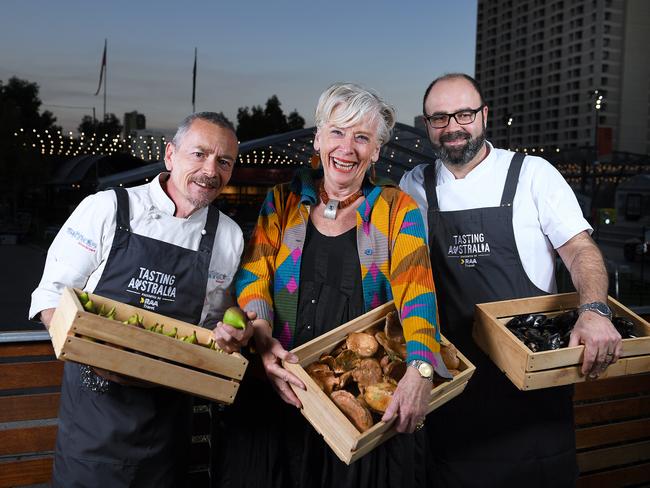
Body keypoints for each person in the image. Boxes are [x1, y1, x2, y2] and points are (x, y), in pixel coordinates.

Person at [212, 82, 450, 488]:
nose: (347, 147)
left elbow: (417, 292)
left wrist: (421, 367)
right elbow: (255, 276)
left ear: (376, 151)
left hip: (355, 405)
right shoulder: (283, 201)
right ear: (319, 138)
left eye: (362, 137)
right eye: (337, 132)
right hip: (279, 392)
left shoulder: (397, 210)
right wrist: (265, 339)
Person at [400, 73, 622, 487]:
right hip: (453, 395)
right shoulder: (414, 186)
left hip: (534, 404)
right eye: (439, 118)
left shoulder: (532, 174)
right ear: (427, 124)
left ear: (484, 115)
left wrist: (593, 310)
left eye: (464, 114)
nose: (453, 127)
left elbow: (580, 250)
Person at [29, 112, 254, 487]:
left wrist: (233, 332)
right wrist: (98, 357)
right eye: (198, 154)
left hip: (167, 418)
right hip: (94, 414)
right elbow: (51, 297)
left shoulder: (228, 236)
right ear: (170, 156)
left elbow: (212, 318)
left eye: (224, 161)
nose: (210, 170)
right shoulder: (108, 208)